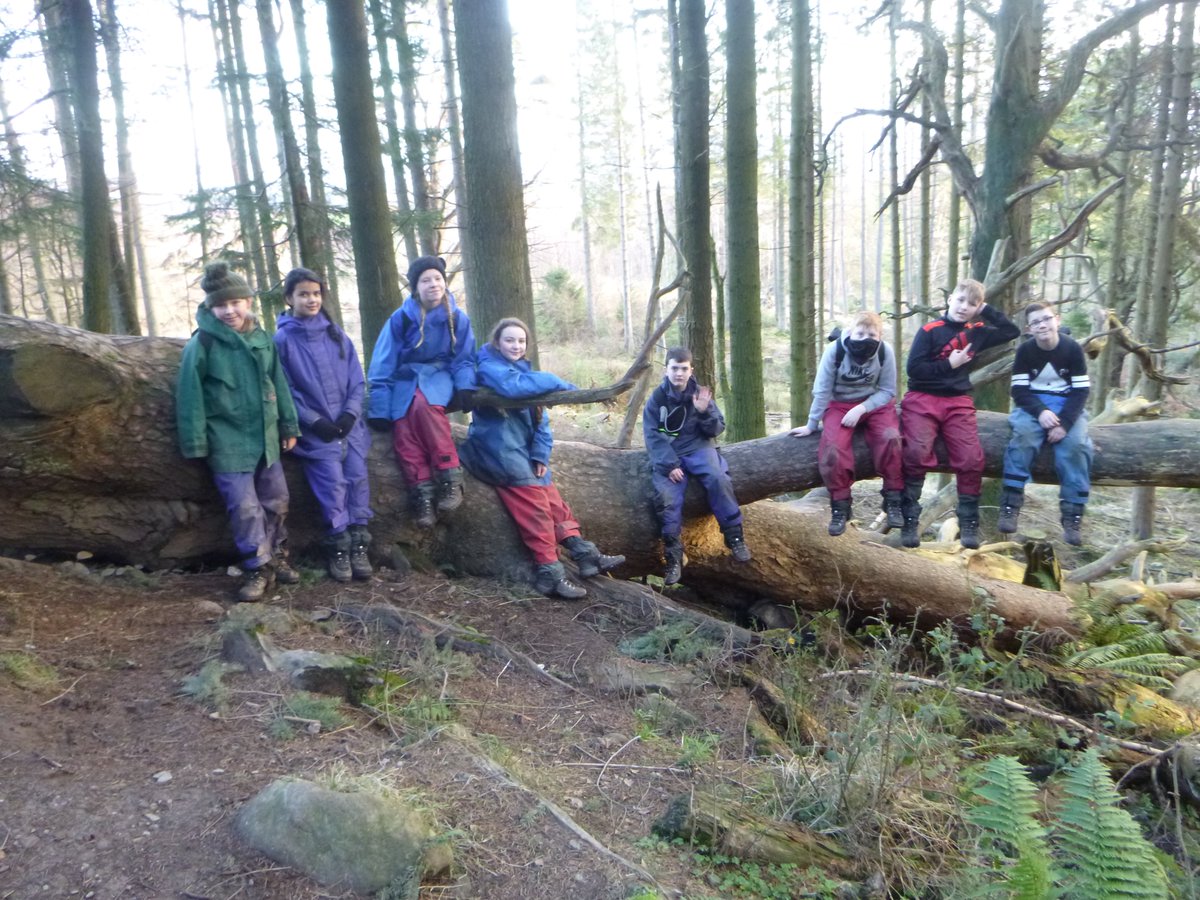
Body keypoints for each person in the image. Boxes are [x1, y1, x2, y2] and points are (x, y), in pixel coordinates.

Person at [459, 318, 624, 599]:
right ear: (497, 342)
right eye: (510, 340)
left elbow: (541, 421)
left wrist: (539, 454)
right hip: (496, 452)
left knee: (554, 500)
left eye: (521, 341)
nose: (516, 345)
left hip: (523, 452)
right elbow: (513, 389)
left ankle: (584, 554)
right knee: (536, 508)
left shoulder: (524, 373)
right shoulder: (489, 368)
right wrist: (557, 381)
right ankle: (550, 573)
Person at [176, 261, 301, 602]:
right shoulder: (202, 345)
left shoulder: (263, 339)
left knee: (278, 501)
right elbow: (191, 398)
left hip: (267, 439)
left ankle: (277, 556)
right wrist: (196, 444)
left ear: (247, 301)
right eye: (221, 305)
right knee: (244, 508)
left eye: (235, 303)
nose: (229, 311)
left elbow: (279, 383)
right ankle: (257, 566)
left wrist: (289, 425)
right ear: (210, 307)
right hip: (228, 444)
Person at [900, 278, 1020, 549]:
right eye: (961, 300)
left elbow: (1011, 330)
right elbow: (914, 370)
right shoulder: (929, 330)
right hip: (923, 398)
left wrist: (986, 309)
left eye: (972, 303)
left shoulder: (977, 330)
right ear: (949, 299)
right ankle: (909, 519)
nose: (964, 307)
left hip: (957, 401)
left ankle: (968, 522)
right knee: (917, 452)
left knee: (970, 457)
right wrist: (949, 364)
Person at [274, 267, 374, 582]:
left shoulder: (336, 334)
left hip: (350, 429)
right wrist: (314, 421)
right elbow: (285, 389)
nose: (311, 299)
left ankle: (359, 545)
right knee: (332, 486)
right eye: (304, 294)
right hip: (316, 434)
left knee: (358, 480)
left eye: (316, 293)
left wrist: (350, 414)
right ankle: (339, 547)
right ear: (290, 298)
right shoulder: (283, 339)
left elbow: (358, 381)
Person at [367, 256, 476, 529]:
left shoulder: (457, 317)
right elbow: (383, 362)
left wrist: (465, 385)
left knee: (424, 408)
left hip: (439, 374)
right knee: (402, 424)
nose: (433, 284)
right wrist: (379, 406)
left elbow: (464, 358)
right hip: (405, 379)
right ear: (416, 287)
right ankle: (422, 493)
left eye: (437, 278)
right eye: (426, 280)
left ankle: (451, 477)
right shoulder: (402, 318)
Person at [643, 346, 751, 586]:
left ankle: (734, 537)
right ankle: (673, 557)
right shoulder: (657, 398)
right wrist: (669, 464)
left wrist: (704, 413)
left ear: (691, 370)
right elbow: (651, 435)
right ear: (666, 369)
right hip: (670, 453)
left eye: (683, 368)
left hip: (699, 447)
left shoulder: (701, 394)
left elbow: (716, 429)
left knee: (718, 478)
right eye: (674, 368)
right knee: (666, 499)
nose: (679, 373)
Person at [790, 311, 904, 536]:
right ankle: (841, 505)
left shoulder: (885, 352)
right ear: (850, 332)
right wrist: (812, 424)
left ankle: (892, 499)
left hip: (875, 405)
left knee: (891, 438)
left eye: (871, 334)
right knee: (832, 449)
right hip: (839, 404)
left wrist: (862, 408)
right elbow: (822, 391)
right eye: (860, 333)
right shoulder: (835, 351)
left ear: (880, 336)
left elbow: (888, 391)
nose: (865, 338)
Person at [998, 302, 1092, 545]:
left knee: (1076, 446)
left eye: (1046, 319)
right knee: (1024, 437)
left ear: (1057, 320)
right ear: (1029, 328)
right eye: (1036, 322)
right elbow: (1018, 390)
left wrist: (1066, 424)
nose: (1042, 325)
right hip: (1033, 404)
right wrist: (1040, 412)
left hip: (1067, 405)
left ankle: (1072, 514)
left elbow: (1081, 392)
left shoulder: (1072, 349)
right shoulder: (1025, 351)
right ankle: (1011, 503)